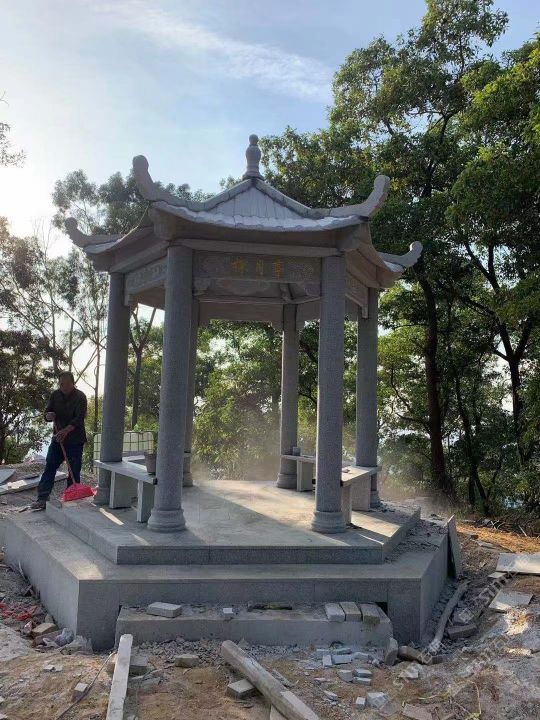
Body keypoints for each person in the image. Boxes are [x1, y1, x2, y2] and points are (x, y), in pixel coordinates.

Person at [30, 371, 87, 511]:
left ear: (73, 383)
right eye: (61, 384)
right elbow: (47, 413)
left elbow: (79, 418)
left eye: (67, 384)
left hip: (75, 439)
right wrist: (48, 415)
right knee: (50, 465)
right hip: (58, 439)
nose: (64, 387)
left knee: (73, 470)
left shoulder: (80, 397)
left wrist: (66, 431)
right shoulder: (55, 395)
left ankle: (72, 498)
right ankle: (42, 498)